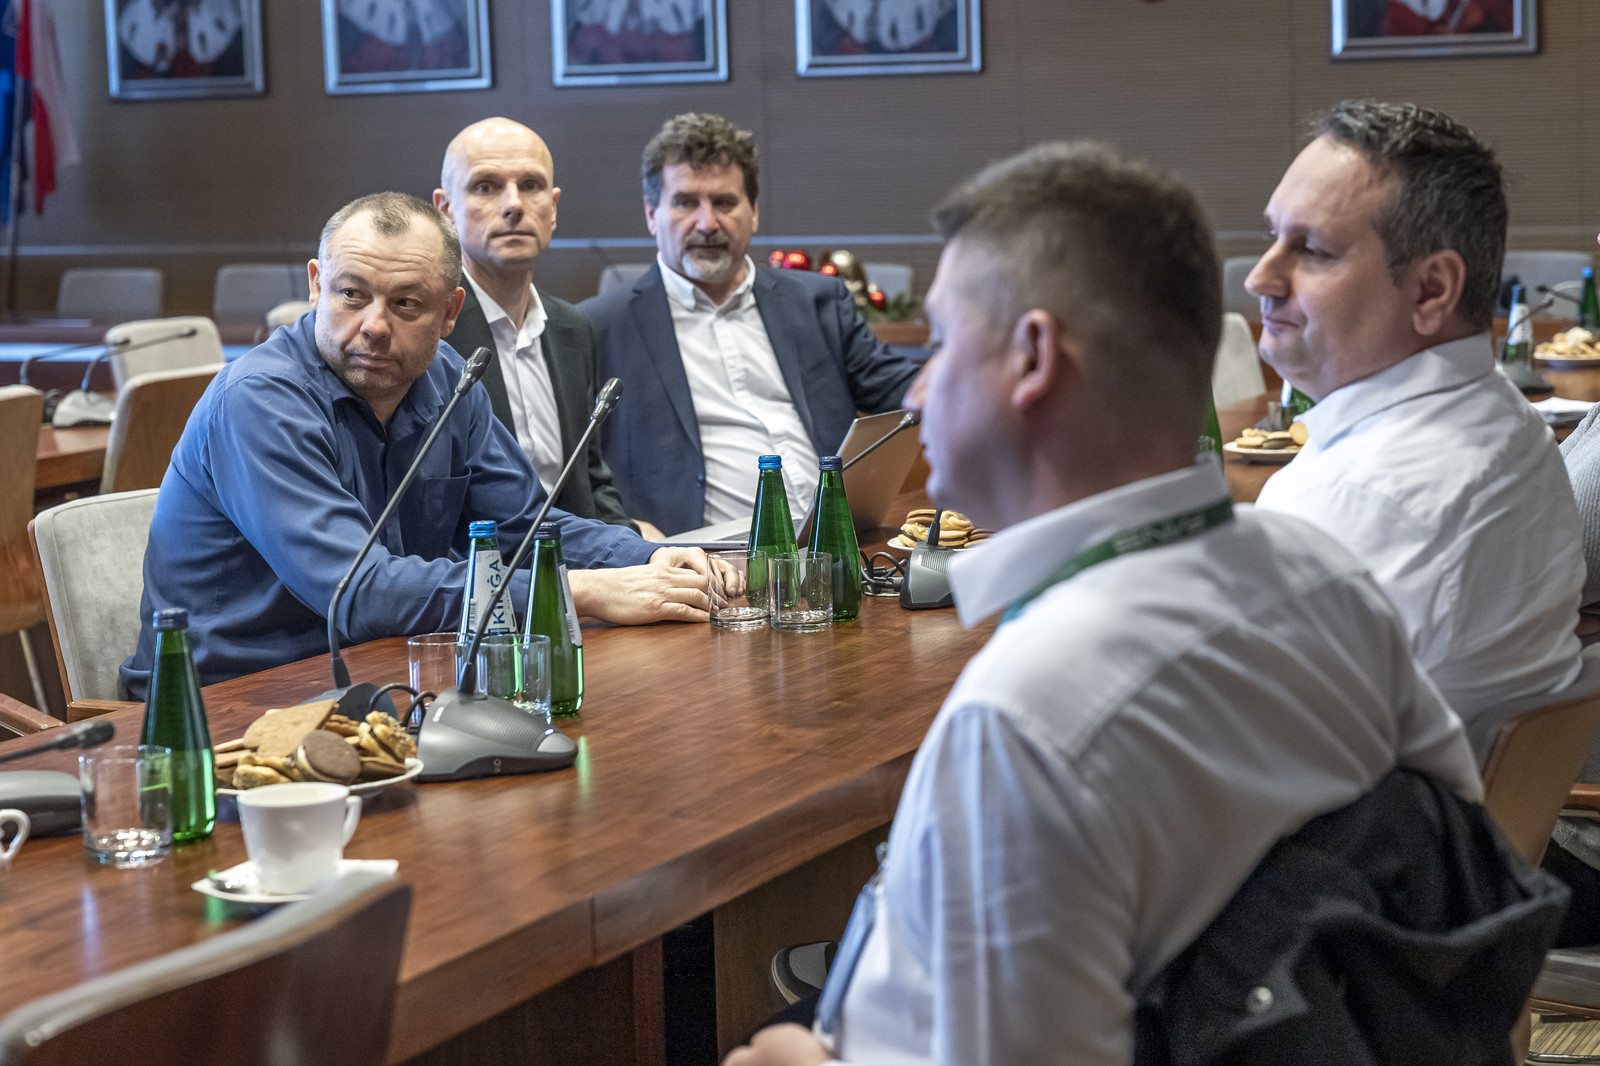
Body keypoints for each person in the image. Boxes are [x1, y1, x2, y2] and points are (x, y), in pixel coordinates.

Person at [724, 143, 1482, 1066]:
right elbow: (1452, 869)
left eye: (944, 344)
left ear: (1033, 358)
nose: (918, 388)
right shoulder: (1324, 576)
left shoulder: (1025, 718)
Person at [120, 192, 709, 698]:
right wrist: (582, 591)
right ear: (316, 286)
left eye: (405, 303)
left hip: (380, 672)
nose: (375, 325)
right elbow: (359, 593)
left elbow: (525, 530)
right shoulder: (259, 400)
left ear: (450, 312)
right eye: (352, 294)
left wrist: (647, 559)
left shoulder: (448, 378)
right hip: (229, 703)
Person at [1248, 99, 1583, 756]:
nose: (1262, 278)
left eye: (1311, 250)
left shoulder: (1359, 502)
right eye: (1274, 238)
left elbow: (1245, 759)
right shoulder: (1511, 421)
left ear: (1432, 290)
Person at [581, 112, 922, 536]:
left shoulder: (817, 302)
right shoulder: (599, 327)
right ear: (652, 214)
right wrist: (623, 528)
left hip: (838, 543)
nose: (707, 224)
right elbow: (568, 469)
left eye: (724, 202)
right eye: (685, 203)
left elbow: (909, 392)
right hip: (705, 561)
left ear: (755, 212)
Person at [433, 117, 662, 539]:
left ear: (552, 208)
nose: (514, 205)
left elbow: (589, 485)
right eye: (485, 187)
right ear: (446, 211)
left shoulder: (572, 327)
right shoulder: (430, 333)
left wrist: (633, 541)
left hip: (578, 559)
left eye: (531, 185)